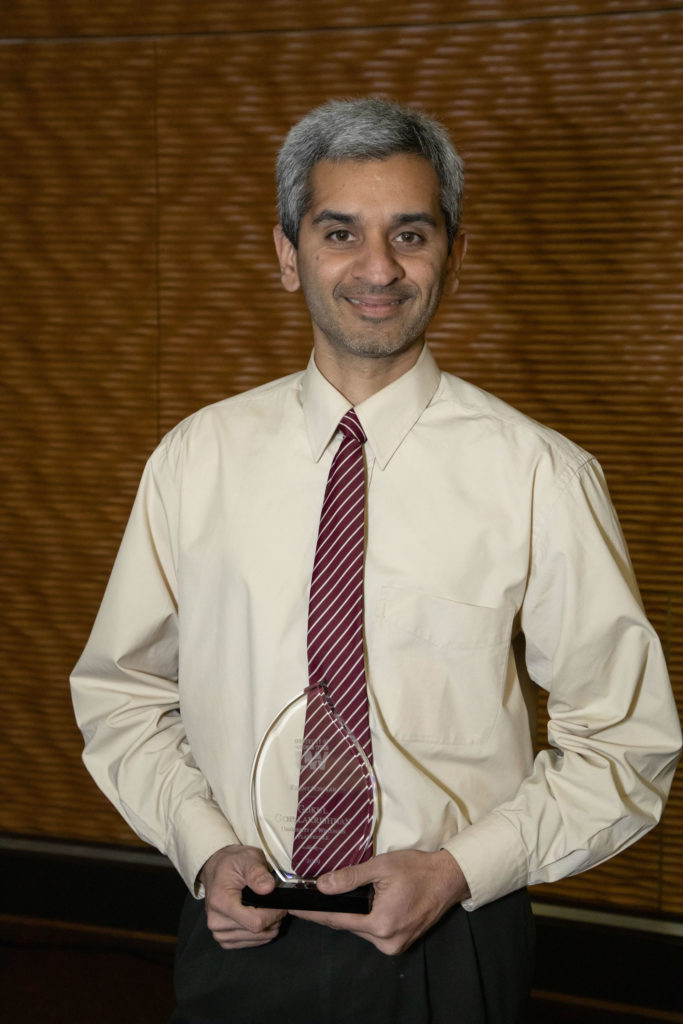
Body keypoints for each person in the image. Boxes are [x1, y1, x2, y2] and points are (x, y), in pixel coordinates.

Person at [71, 98, 681, 1024]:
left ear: (454, 256)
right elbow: (122, 697)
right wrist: (202, 847)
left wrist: (454, 872)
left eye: (409, 233)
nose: (377, 269)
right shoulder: (194, 460)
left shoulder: (540, 476)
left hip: (453, 941)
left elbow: (626, 744)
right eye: (338, 232)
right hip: (238, 924)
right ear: (288, 257)